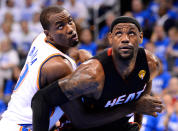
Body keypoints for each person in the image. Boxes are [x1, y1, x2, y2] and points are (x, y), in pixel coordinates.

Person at [32, 16, 164, 131]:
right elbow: (41, 99)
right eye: (119, 33)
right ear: (110, 38)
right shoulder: (92, 75)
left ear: (141, 37)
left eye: (131, 33)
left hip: (120, 126)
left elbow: (145, 85)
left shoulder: (151, 64)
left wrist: (138, 122)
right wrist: (134, 107)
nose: (125, 39)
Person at [0, 6, 91, 131]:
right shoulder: (61, 66)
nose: (69, 29)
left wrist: (76, 55)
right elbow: (81, 118)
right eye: (60, 26)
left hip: (9, 122)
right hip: (25, 127)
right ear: (49, 35)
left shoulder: (40, 39)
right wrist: (91, 61)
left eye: (70, 21)